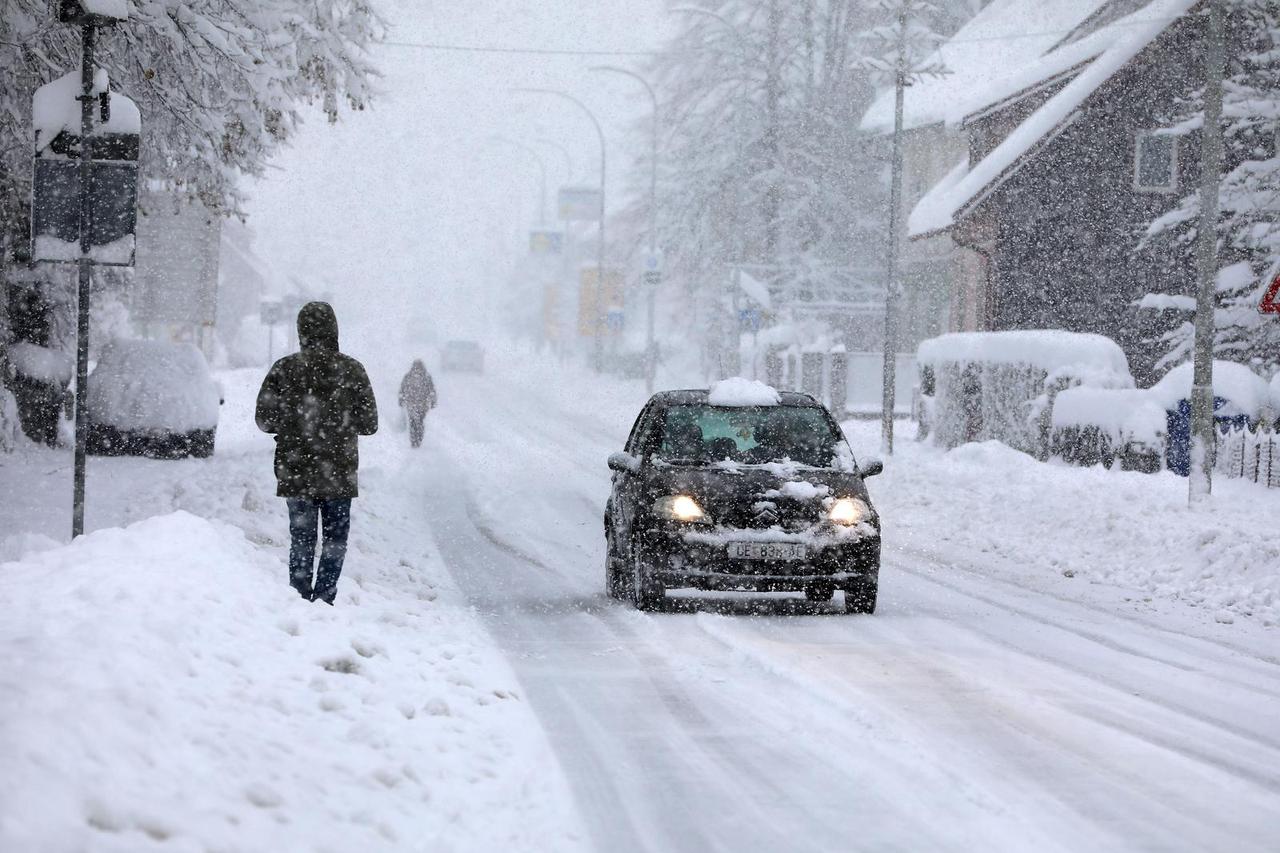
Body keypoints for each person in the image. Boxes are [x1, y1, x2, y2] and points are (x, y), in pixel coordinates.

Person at [255, 302, 378, 604]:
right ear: (334, 330)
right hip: (338, 472)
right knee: (335, 540)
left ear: (301, 331)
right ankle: (325, 597)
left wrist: (293, 422)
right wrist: (340, 423)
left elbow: (263, 419)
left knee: (302, 538)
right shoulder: (352, 370)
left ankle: (298, 597)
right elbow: (370, 424)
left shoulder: (284, 369)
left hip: (296, 470)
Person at [398, 359, 437, 448]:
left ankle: (414, 439)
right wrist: (433, 401)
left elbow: (402, 389)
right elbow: (432, 390)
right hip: (422, 405)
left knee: (413, 422)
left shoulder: (408, 376)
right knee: (420, 421)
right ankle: (418, 438)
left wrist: (401, 400)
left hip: (411, 405)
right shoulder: (426, 377)